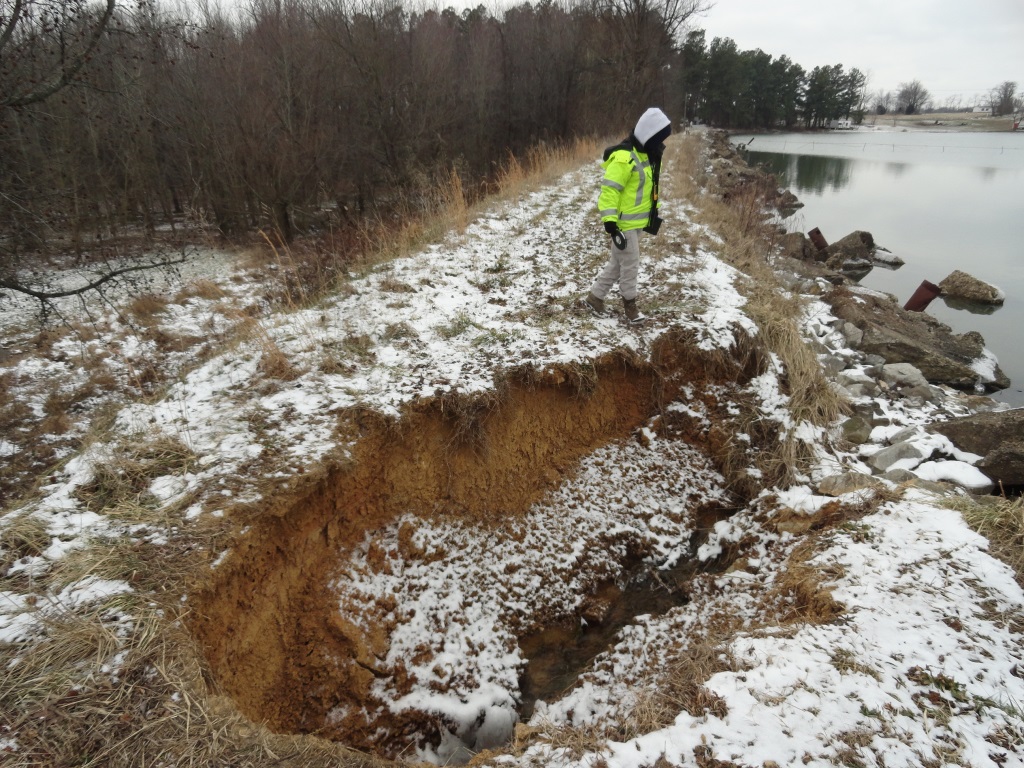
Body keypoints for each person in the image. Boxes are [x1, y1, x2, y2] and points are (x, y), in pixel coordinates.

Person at [585, 107, 672, 324]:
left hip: (638, 223)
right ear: (649, 135)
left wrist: (653, 212)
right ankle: (630, 306)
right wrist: (610, 221)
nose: (661, 143)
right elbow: (610, 190)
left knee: (618, 263)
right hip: (623, 225)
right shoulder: (625, 158)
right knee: (631, 263)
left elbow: (645, 190)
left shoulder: (648, 155)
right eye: (659, 138)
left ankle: (595, 298)